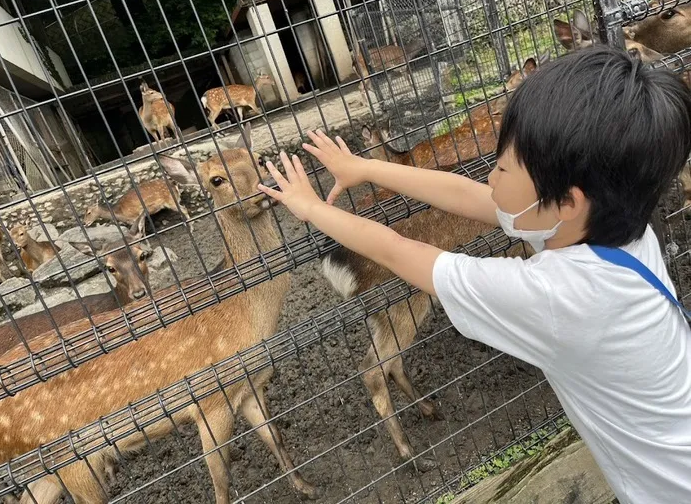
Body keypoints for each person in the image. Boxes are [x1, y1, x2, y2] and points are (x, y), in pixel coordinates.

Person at [258, 45, 691, 503]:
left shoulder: (555, 296)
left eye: (503, 166)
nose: (489, 177)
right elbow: (465, 194)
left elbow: (398, 248)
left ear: (568, 201)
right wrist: (363, 168)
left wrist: (308, 208)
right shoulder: (615, 227)